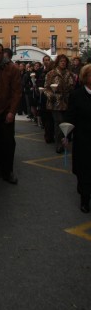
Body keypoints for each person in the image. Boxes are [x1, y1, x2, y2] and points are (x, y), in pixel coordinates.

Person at [0, 43, 22, 184]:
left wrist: (12, 112)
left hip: (6, 111)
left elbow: (16, 92)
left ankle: (7, 171)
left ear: (3, 53)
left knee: (8, 142)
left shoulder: (12, 68)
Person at [65, 64, 91, 212]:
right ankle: (85, 199)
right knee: (84, 170)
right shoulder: (77, 95)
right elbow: (70, 116)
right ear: (85, 77)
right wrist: (66, 134)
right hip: (84, 139)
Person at [44, 54, 75, 153]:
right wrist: (50, 95)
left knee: (65, 123)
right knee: (59, 123)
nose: (63, 63)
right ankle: (59, 144)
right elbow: (46, 88)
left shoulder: (69, 74)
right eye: (61, 61)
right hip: (55, 102)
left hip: (67, 102)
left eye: (65, 61)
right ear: (57, 62)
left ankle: (63, 141)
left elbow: (72, 87)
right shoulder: (51, 73)